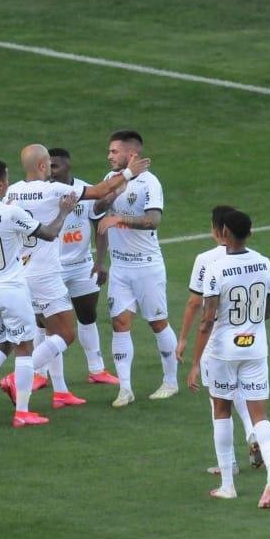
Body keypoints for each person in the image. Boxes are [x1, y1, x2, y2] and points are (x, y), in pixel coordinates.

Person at [0, 144, 150, 409]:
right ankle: (17, 376)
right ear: (43, 166)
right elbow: (100, 191)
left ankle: (59, 391)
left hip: (22, 272)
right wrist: (127, 172)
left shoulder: (11, 192)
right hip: (46, 274)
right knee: (66, 334)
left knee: (51, 331)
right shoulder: (53, 189)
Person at [0, 160, 78, 428]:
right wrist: (63, 212)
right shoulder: (10, 213)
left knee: (2, 344)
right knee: (24, 348)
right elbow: (48, 234)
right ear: (1, 185)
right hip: (10, 288)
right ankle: (22, 412)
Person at [187, 210, 270, 508]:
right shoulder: (264, 263)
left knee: (222, 409)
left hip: (223, 351)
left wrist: (194, 363)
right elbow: (267, 311)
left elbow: (206, 320)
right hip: (256, 348)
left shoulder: (217, 268)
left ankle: (228, 484)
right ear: (249, 234)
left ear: (224, 233)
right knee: (259, 415)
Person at [96, 130, 179, 407]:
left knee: (157, 323)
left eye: (114, 151)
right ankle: (125, 389)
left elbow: (153, 220)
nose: (109, 156)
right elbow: (97, 211)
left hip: (147, 267)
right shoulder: (112, 180)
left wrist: (119, 218)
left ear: (131, 154)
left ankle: (170, 382)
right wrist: (101, 260)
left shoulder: (150, 183)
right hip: (120, 268)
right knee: (119, 324)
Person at [177, 205, 262, 475]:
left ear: (218, 230)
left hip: (217, 343)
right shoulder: (257, 259)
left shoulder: (206, 259)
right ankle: (252, 433)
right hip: (250, 340)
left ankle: (229, 466)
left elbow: (194, 304)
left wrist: (183, 340)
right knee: (244, 394)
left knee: (219, 402)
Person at [48, 147, 119, 386]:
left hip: (81, 267)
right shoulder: (44, 193)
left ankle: (96, 369)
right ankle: (39, 375)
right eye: (48, 166)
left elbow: (99, 228)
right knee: (46, 322)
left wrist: (100, 262)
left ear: (68, 166)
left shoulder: (85, 191)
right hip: (51, 269)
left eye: (55, 166)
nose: (51, 171)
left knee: (88, 316)